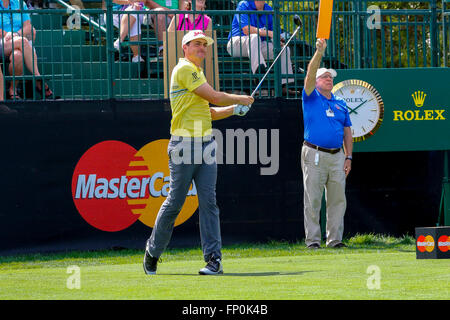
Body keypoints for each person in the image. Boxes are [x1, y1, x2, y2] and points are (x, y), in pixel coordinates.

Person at [143, 30, 254, 275]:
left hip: (205, 145)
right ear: (185, 47)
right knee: (175, 203)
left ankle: (214, 260)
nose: (202, 48)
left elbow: (209, 112)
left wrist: (235, 109)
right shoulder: (184, 69)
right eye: (197, 44)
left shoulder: (198, 73)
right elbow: (214, 97)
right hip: (183, 146)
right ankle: (153, 251)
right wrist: (241, 99)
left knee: (209, 203)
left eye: (204, 44)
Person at [301, 38, 353, 249]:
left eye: (330, 77)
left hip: (337, 155)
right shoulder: (311, 97)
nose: (328, 79)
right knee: (313, 199)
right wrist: (319, 53)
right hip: (314, 153)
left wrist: (348, 156)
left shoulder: (340, 103)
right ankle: (313, 241)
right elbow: (309, 73)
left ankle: (335, 240)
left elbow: (348, 132)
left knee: (337, 199)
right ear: (317, 80)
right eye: (324, 76)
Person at [227, 0, 298, 96]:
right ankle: (260, 76)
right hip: (236, 44)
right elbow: (247, 30)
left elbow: (274, 32)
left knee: (284, 49)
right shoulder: (243, 4)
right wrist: (269, 33)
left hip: (258, 44)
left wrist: (278, 40)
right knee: (254, 37)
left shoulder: (268, 8)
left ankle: (283, 86)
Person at [0, 0, 54, 99]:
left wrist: (16, 34)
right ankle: (38, 77)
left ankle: (13, 89)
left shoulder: (19, 3)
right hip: (2, 41)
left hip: (17, 39)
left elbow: (28, 26)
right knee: (23, 41)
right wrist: (9, 35)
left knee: (17, 55)